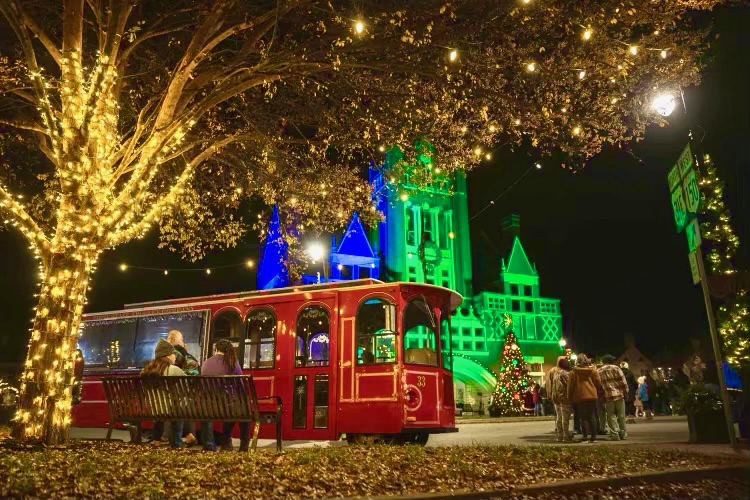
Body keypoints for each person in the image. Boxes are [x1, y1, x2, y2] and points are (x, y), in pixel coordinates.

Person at [141, 339, 195, 448]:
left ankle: (157, 440)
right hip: (169, 409)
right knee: (183, 404)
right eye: (174, 354)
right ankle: (179, 441)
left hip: (153, 409)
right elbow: (188, 389)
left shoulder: (146, 371)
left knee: (173, 405)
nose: (175, 357)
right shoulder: (173, 370)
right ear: (168, 356)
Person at [200, 339, 250, 452]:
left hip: (208, 407)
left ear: (215, 350)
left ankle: (215, 444)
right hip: (227, 406)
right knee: (242, 409)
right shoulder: (232, 362)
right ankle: (242, 446)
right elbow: (240, 385)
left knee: (233, 407)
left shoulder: (205, 363)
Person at [567, 353, 602, 443]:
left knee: (583, 417)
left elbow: (570, 386)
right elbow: (598, 382)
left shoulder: (574, 372)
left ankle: (585, 436)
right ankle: (593, 437)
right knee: (592, 416)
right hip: (592, 395)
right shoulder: (593, 370)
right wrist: (595, 390)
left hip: (579, 396)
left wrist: (569, 397)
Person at [597, 355, 629, 441]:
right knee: (621, 415)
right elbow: (623, 382)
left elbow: (598, 385)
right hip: (619, 395)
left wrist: (600, 396)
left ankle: (615, 434)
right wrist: (626, 392)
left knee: (611, 415)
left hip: (607, 396)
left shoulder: (599, 371)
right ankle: (623, 433)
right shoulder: (616, 368)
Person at [551, 357, 573, 442]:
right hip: (564, 397)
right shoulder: (565, 374)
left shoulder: (556, 374)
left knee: (559, 417)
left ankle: (559, 436)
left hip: (556, 398)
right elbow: (569, 385)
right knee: (565, 418)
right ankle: (566, 436)